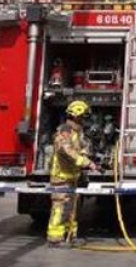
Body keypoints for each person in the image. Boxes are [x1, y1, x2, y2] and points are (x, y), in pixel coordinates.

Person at [47, 100, 99, 247]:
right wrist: (85, 162)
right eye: (83, 117)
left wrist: (86, 154)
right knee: (60, 208)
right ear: (76, 116)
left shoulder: (77, 133)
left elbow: (82, 148)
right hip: (61, 177)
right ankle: (55, 238)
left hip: (72, 177)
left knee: (72, 209)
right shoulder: (64, 132)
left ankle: (70, 235)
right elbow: (66, 151)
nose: (84, 121)